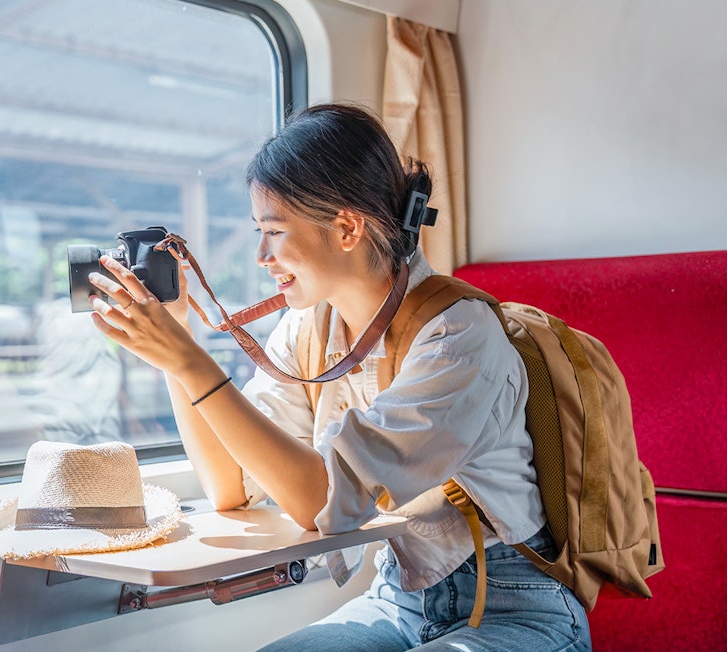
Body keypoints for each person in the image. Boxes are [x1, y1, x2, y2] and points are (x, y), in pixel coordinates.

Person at [86, 103, 591, 651]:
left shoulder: (459, 336)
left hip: (514, 605)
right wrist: (174, 346)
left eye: (274, 232)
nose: (261, 255)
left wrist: (190, 361)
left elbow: (319, 500)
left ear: (347, 227)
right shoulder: (309, 327)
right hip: (399, 599)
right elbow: (229, 487)